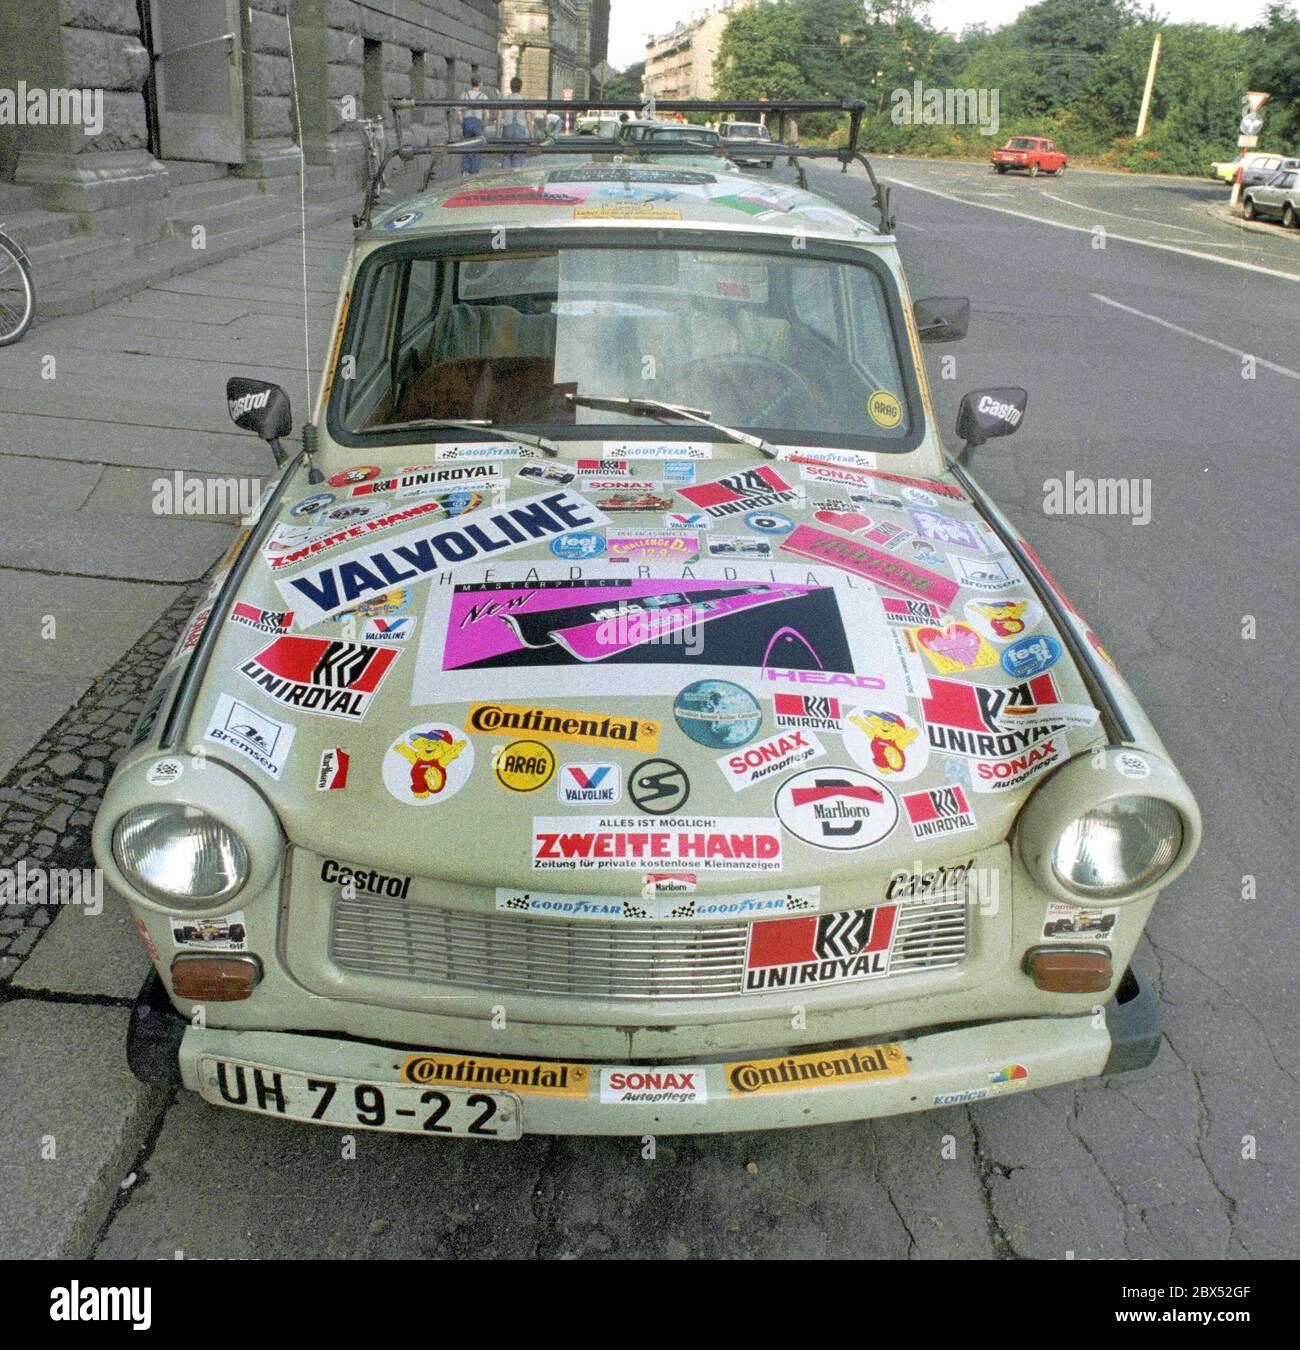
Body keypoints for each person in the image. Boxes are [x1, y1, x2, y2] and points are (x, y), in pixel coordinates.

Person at [499, 75, 531, 168]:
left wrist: (498, 133)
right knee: (518, 156)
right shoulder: (525, 101)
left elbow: (499, 115)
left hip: (507, 129)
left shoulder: (505, 99)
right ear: (520, 87)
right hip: (520, 129)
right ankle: (516, 179)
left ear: (510, 87)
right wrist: (532, 136)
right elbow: (528, 120)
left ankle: (505, 178)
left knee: (505, 155)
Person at [460, 75, 488, 174]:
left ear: (471, 83)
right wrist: (485, 124)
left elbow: (459, 110)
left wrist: (461, 121)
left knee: (466, 146)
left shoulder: (464, 94)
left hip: (467, 121)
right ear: (480, 83)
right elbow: (486, 113)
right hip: (477, 122)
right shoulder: (483, 96)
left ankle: (465, 171)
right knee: (478, 147)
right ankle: (475, 172)